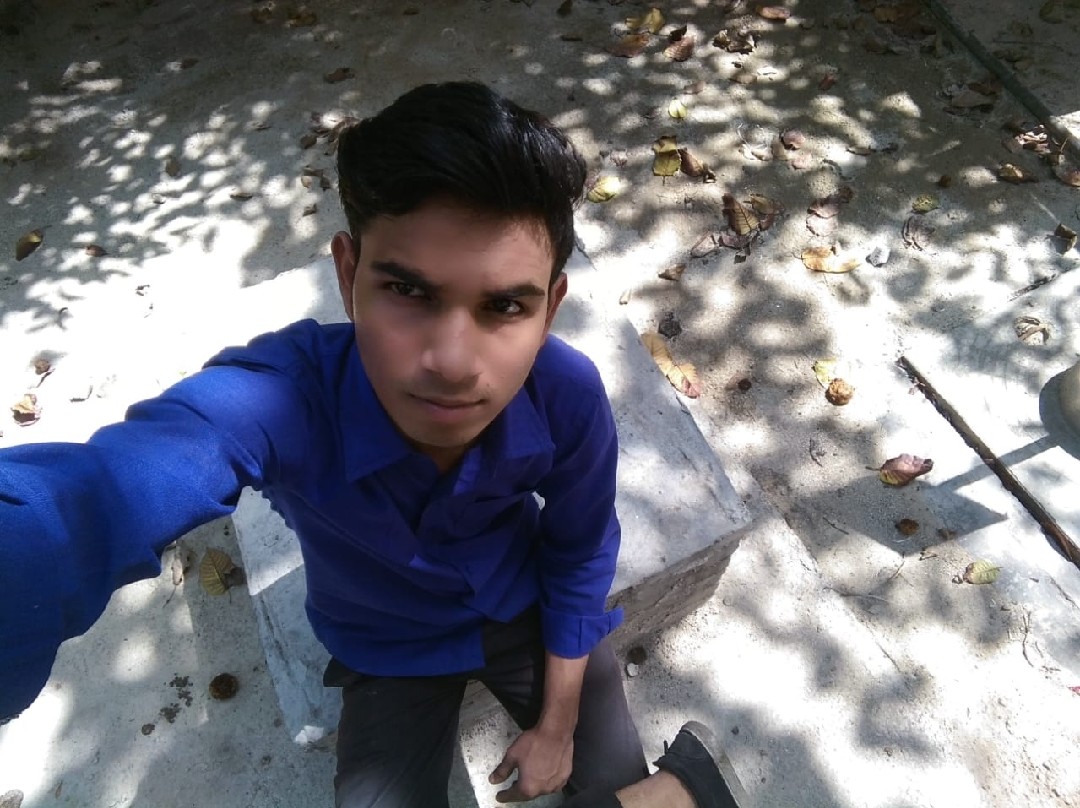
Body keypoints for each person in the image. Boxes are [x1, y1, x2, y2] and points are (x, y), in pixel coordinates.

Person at [0, 82, 745, 807]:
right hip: (385, 644)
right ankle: (683, 792)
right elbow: (91, 502)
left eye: (504, 305)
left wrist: (556, 726)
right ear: (348, 273)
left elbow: (580, 551)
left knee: (612, 779)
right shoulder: (282, 397)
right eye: (410, 292)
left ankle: (679, 779)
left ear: (549, 309)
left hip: (520, 609)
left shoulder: (565, 394)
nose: (452, 362)